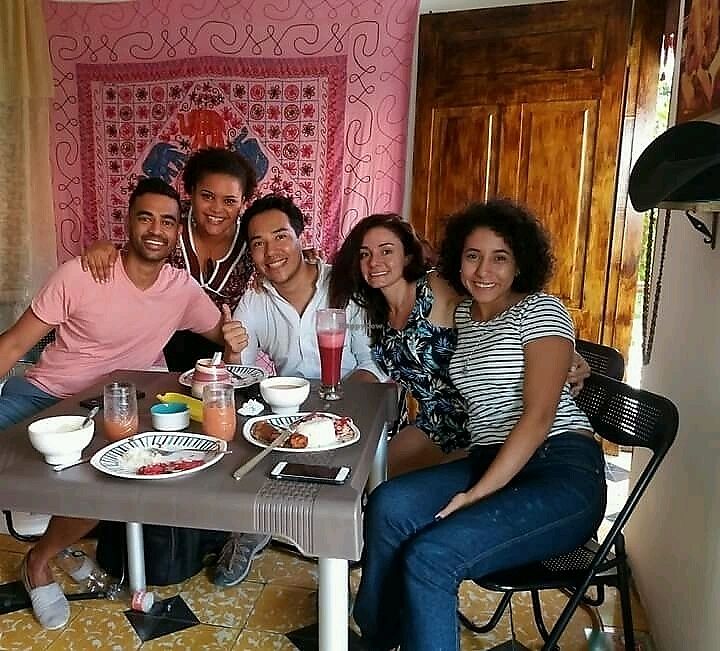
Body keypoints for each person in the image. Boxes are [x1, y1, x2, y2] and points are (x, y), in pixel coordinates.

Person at [353, 200, 607, 651]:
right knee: (388, 504)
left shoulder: (541, 310)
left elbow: (538, 418)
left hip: (558, 470)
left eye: (499, 257)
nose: (484, 270)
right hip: (489, 457)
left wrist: (477, 494)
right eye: (473, 256)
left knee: (430, 557)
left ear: (520, 263)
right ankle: (379, 636)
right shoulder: (466, 315)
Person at [0, 178, 247, 630]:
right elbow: (14, 344)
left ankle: (39, 560)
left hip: (110, 405)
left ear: (178, 231)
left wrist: (232, 340)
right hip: (43, 393)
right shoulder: (81, 273)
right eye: (145, 217)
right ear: (128, 223)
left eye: (167, 222)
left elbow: (221, 331)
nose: (156, 229)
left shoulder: (180, 289)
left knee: (105, 478)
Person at [328, 213, 590, 478]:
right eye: (364, 254)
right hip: (434, 422)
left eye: (386, 251)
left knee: (398, 486)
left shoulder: (435, 287)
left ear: (407, 256)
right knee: (367, 476)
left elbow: (505, 306)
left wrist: (568, 352)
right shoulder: (373, 312)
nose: (374, 262)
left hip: (478, 421)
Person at [217, 193, 385, 588]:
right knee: (240, 430)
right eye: (258, 243)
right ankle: (250, 527)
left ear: (300, 237)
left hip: (352, 405)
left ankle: (346, 536)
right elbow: (240, 375)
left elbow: (372, 364)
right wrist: (232, 349)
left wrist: (334, 404)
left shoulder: (344, 287)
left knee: (339, 479)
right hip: (289, 412)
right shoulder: (255, 299)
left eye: (280, 237)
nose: (271, 252)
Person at [81, 147, 257, 371]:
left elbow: (277, 262)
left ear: (243, 202)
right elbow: (136, 253)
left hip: (225, 342)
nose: (217, 209)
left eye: (229, 201)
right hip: (163, 338)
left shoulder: (252, 236)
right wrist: (104, 247)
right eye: (207, 196)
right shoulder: (170, 220)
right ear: (191, 192)